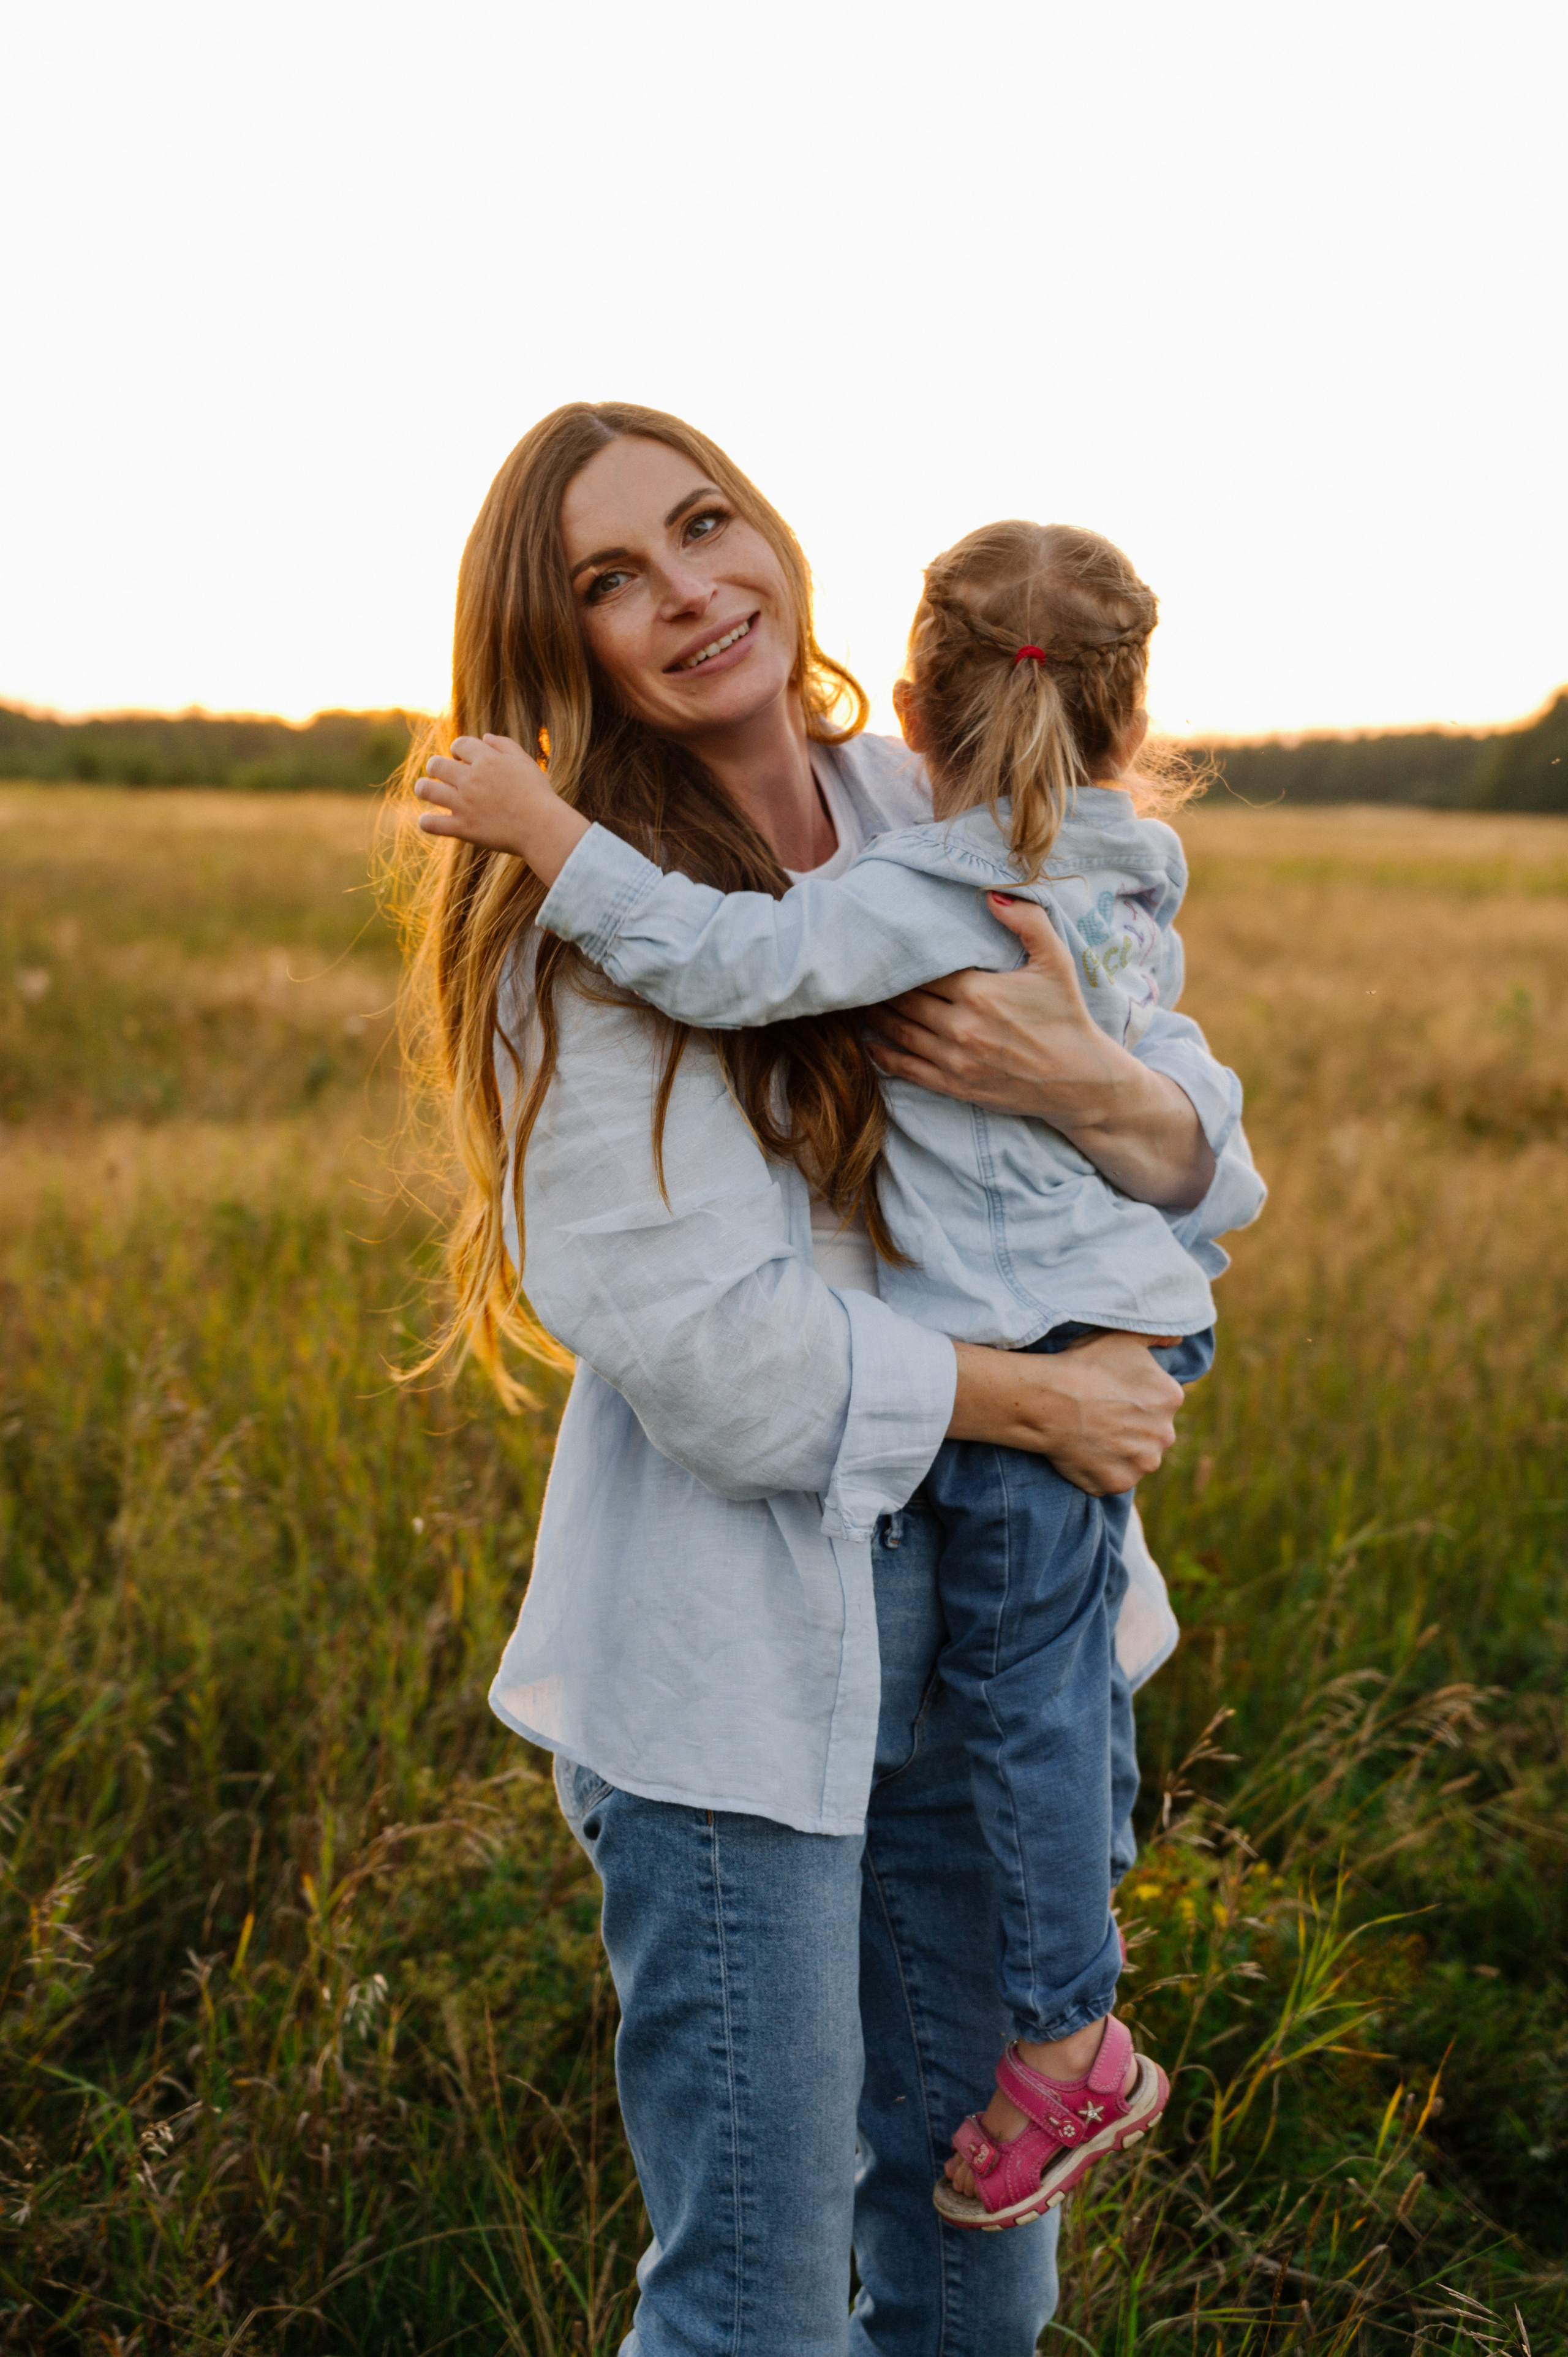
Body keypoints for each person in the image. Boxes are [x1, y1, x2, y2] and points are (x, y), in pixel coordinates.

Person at [400, 401, 1261, 2352]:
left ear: (776, 533)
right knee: (761, 2300)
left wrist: (1087, 1081)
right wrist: (1041, 1402)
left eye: (706, 524)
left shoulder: (942, 799)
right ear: (557, 642)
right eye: (612, 578)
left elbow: (1207, 1150)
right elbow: (713, 1358)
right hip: (737, 1658)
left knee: (978, 2278)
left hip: (1001, 1632)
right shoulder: (576, 923)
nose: (689, 591)